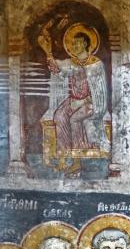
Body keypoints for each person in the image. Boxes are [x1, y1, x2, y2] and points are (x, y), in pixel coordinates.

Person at [39, 24, 108, 155]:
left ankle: (79, 152)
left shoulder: (95, 64)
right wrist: (47, 51)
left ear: (85, 44)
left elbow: (99, 93)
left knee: (74, 119)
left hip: (92, 103)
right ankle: (64, 152)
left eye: (77, 43)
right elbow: (57, 68)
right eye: (72, 43)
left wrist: (83, 102)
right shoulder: (72, 62)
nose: (74, 46)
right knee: (59, 116)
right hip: (74, 100)